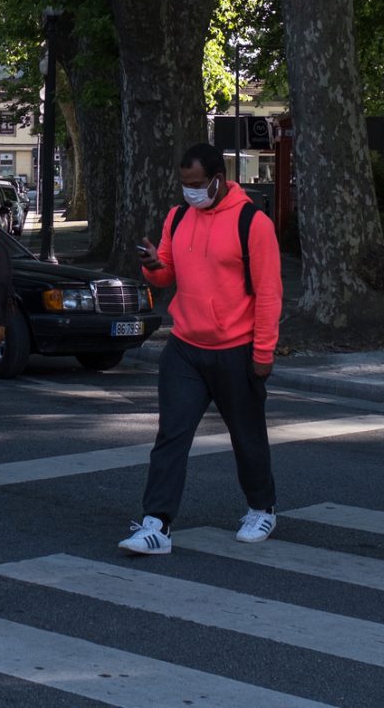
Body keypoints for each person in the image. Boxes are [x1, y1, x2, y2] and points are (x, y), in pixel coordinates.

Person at [120, 142, 283, 556]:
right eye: (184, 184)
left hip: (236, 348)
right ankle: (156, 523)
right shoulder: (177, 217)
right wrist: (152, 264)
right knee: (171, 436)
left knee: (247, 436)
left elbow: (268, 293)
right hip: (185, 346)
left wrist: (263, 352)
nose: (190, 192)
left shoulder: (253, 222)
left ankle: (261, 507)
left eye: (197, 184)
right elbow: (166, 276)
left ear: (219, 178)